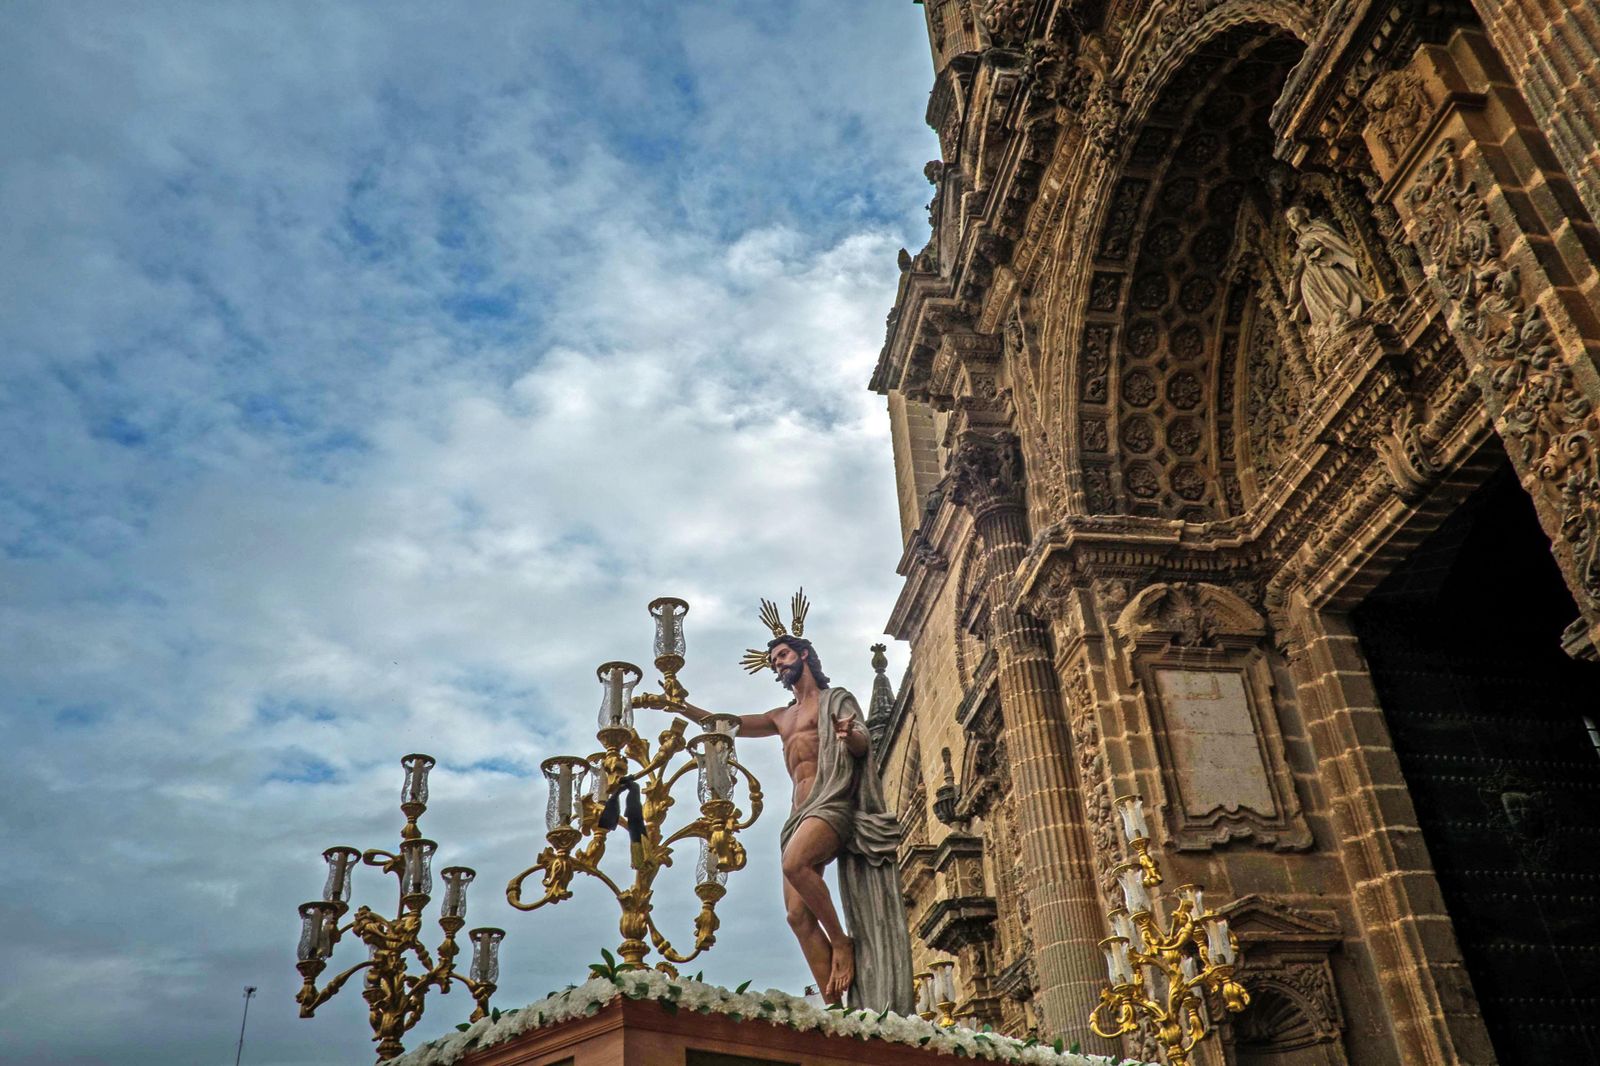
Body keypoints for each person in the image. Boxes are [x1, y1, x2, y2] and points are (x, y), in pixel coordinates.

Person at [644, 608, 912, 1013]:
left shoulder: (834, 699)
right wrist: (683, 708)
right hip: (798, 813)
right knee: (796, 917)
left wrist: (850, 735)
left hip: (832, 802)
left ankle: (842, 942)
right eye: (773, 661)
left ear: (804, 655)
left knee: (794, 866)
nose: (777, 665)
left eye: (783, 656)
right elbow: (725, 725)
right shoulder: (780, 716)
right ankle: (839, 1011)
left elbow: (861, 744)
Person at [1286, 204, 1372, 329]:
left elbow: (1332, 240)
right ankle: (1327, 318)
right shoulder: (1299, 240)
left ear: (1304, 213)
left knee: (1327, 276)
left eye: (1295, 214)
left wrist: (1318, 251)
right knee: (1306, 282)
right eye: (1289, 218)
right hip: (1313, 269)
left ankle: (1342, 306)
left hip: (1328, 261)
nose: (1292, 218)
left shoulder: (1318, 226)